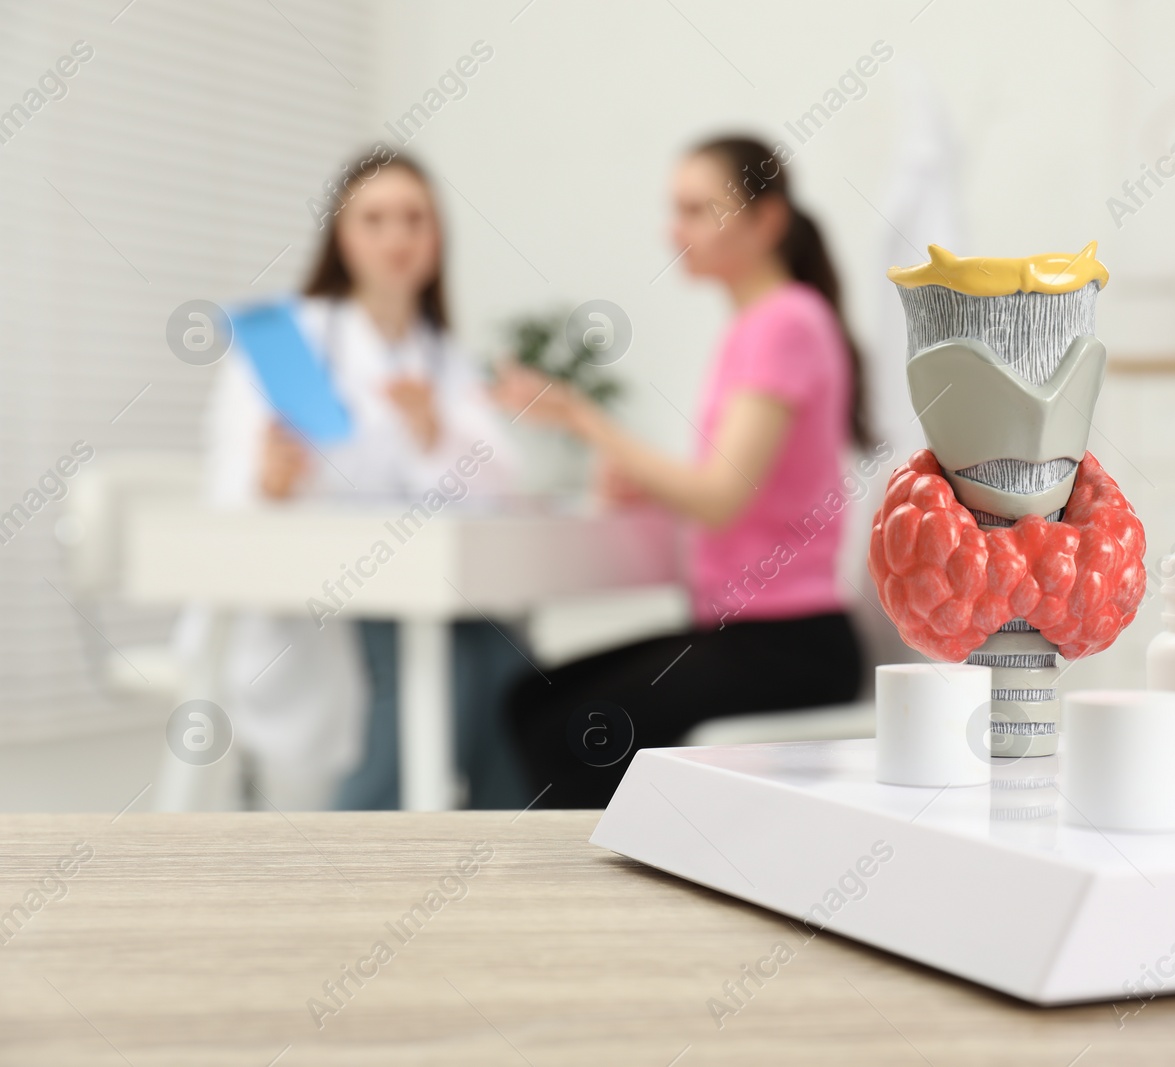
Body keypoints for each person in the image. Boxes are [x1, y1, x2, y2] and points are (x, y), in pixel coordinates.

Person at [494, 135, 870, 808]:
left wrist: (586, 419)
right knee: (530, 699)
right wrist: (647, 483)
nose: (678, 230)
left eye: (700, 209)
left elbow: (721, 497)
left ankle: (591, 903)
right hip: (741, 631)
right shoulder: (760, 324)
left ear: (767, 221)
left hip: (789, 642)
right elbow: (743, 491)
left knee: (569, 731)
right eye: (677, 209)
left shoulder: (783, 323)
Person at [186, 150, 531, 810]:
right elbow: (229, 489)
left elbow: (501, 491)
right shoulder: (287, 341)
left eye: (414, 219)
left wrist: (436, 435)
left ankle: (496, 860)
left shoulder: (442, 355)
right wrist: (271, 480)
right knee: (452, 673)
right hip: (322, 600)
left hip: (419, 592)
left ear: (438, 238)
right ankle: (347, 869)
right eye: (374, 219)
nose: (396, 238)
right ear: (341, 237)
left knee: (507, 663)